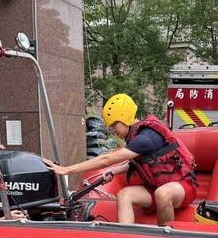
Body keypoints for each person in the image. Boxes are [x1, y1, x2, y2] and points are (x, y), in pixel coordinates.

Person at [44, 93, 197, 225]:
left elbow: (106, 159)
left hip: (183, 186)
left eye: (114, 125)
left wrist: (67, 170)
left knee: (163, 194)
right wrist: (114, 171)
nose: (112, 131)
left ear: (125, 118)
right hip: (156, 187)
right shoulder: (135, 136)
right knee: (124, 195)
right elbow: (136, 163)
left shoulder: (146, 138)